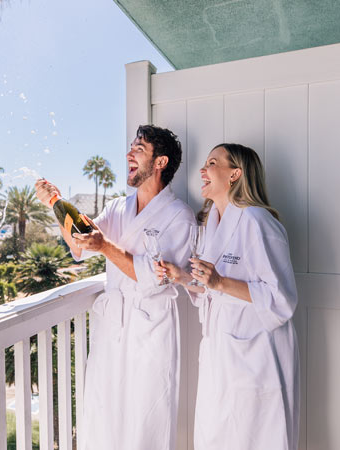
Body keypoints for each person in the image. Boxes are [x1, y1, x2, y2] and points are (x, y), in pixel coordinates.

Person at [35, 125, 195, 450]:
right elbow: (80, 244)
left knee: (145, 421)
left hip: (150, 331)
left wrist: (105, 247)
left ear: (160, 162)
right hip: (112, 328)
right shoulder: (118, 207)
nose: (128, 155)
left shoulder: (180, 217)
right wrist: (55, 202)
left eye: (138, 149)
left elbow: (154, 276)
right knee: (103, 414)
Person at [156, 143, 300, 450]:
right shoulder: (211, 224)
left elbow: (282, 299)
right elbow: (211, 291)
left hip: (256, 355)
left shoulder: (258, 222)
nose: (202, 170)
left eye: (212, 162)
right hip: (220, 353)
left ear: (235, 174)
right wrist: (183, 278)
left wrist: (220, 281)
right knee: (217, 435)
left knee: (254, 436)